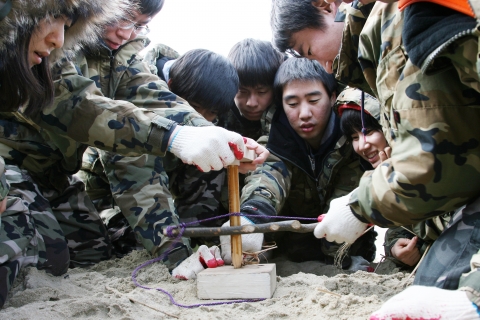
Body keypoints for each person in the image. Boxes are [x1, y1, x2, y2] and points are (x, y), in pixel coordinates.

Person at [271, 0, 480, 316]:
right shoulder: (375, 50)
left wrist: (360, 207)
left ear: (326, 7)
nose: (324, 67)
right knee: (430, 287)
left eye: (310, 50)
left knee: (442, 299)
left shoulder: (395, 27)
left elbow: (438, 162)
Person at [0, 0, 135, 308]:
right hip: (12, 168)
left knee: (92, 252)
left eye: (67, 27)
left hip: (51, 174)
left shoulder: (50, 60)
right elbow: (87, 112)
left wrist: (182, 136)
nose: (58, 39)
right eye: (55, 20)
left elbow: (91, 106)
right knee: (29, 245)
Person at [227, 57, 376, 270]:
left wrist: (340, 258)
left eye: (314, 101)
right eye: (293, 104)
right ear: (281, 104)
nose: (304, 114)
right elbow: (266, 179)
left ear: (332, 97)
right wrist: (251, 218)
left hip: (349, 250)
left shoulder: (355, 142)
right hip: (289, 252)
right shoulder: (274, 142)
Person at [335, 87, 451, 268]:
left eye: (370, 131)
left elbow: (444, 225)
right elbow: (400, 230)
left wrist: (393, 188)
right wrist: (396, 249)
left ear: (390, 127)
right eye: (354, 137)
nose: (362, 145)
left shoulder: (430, 161)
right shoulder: (385, 170)